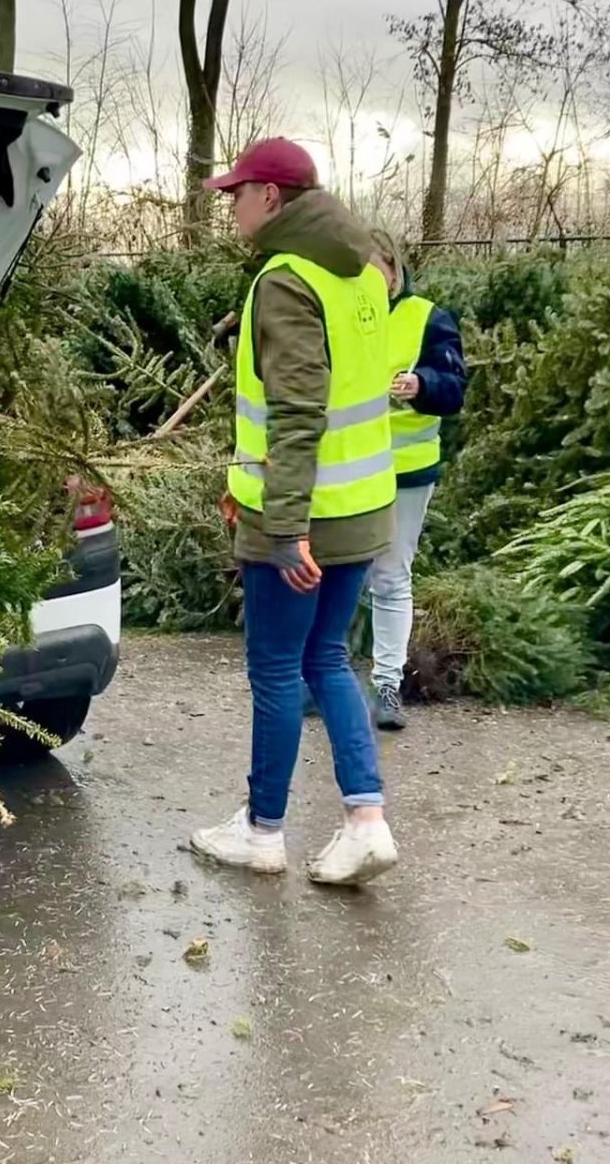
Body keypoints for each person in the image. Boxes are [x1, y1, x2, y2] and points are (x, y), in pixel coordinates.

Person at [190, 139, 400, 887]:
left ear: (272, 198)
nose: (230, 206)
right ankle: (365, 820)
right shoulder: (365, 268)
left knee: (278, 668)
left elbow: (299, 412)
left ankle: (262, 831)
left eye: (236, 194)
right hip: (364, 503)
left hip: (303, 519)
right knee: (328, 659)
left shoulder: (285, 279)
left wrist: (280, 526)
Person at [364, 237, 467, 730]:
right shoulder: (341, 316)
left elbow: (454, 388)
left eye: (374, 268)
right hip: (349, 468)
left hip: (406, 472)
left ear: (393, 269)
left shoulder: (428, 317)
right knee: (337, 576)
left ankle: (388, 683)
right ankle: (326, 679)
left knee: (389, 575)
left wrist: (422, 384)